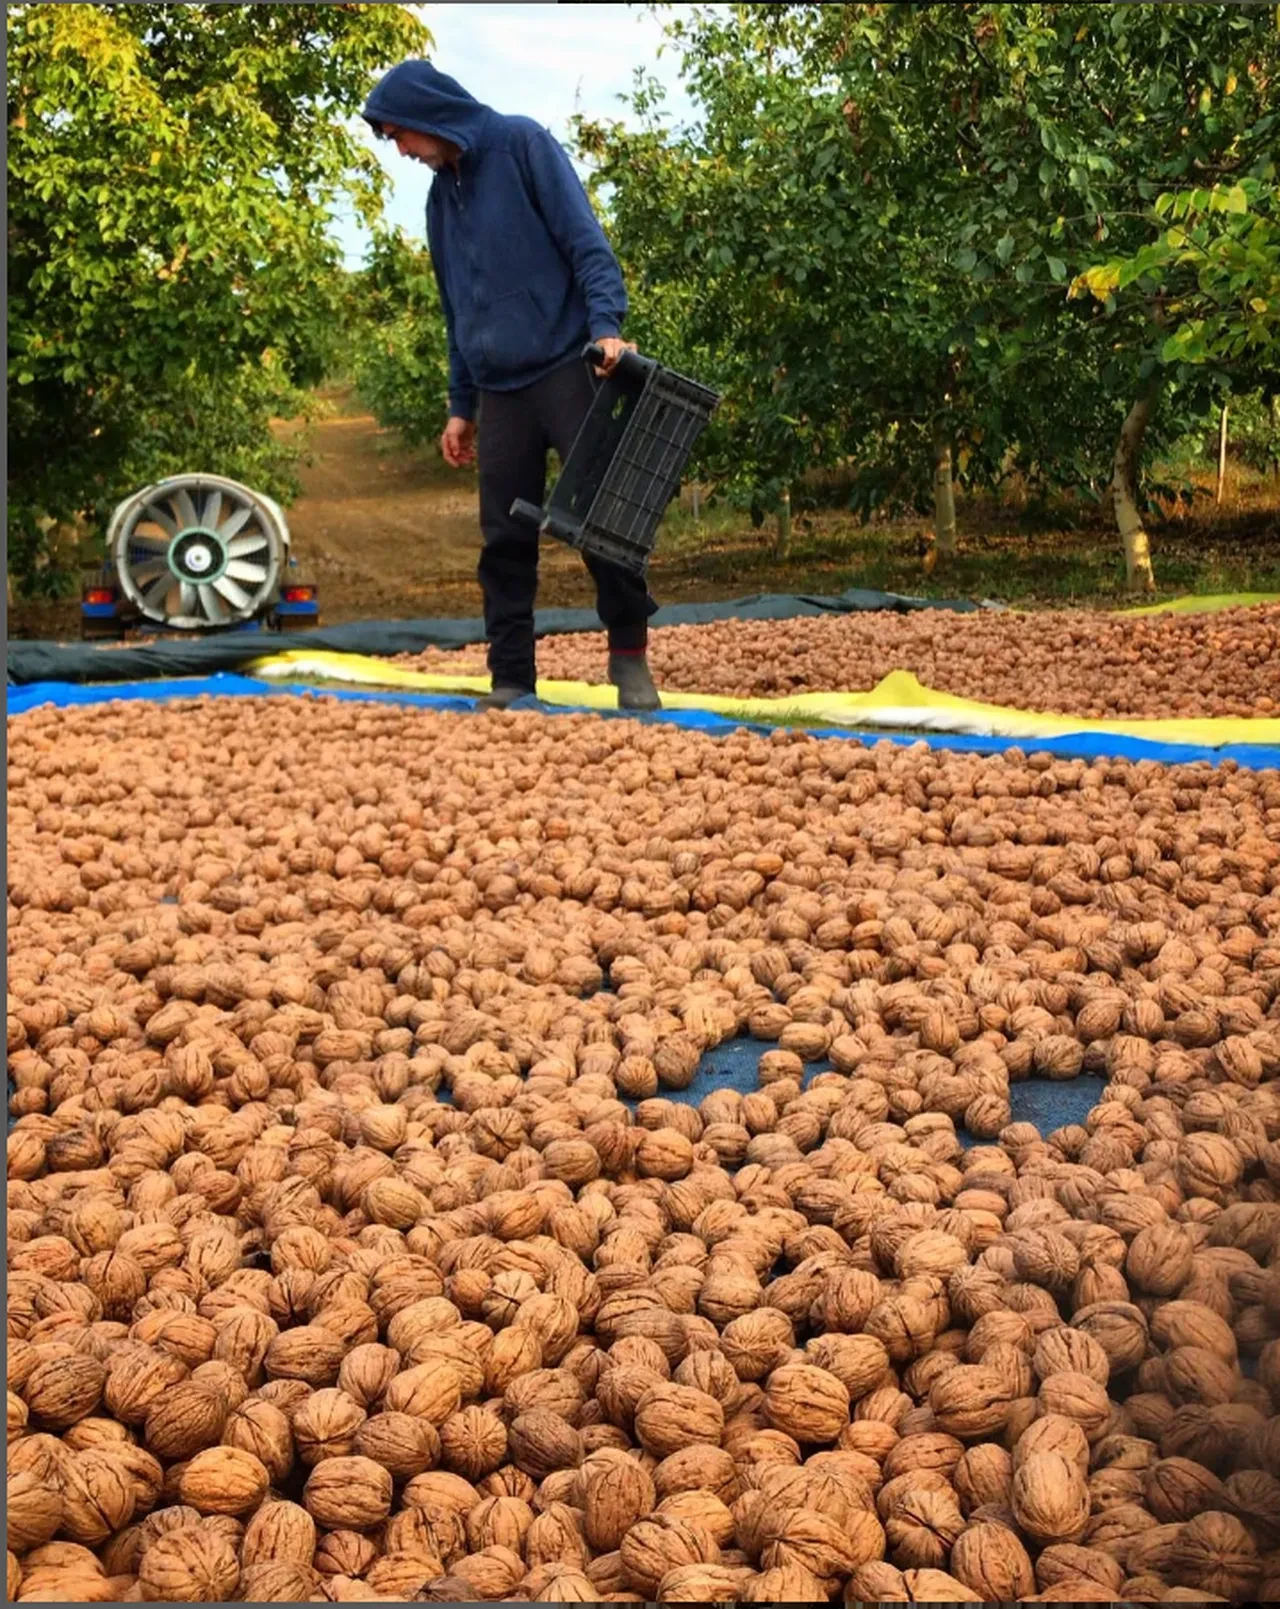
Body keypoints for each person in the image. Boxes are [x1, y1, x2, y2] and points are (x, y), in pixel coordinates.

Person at [362, 60, 662, 711]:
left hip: (565, 366)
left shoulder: (522, 145)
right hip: (500, 392)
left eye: (400, 136)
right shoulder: (441, 199)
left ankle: (630, 657)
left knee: (600, 522)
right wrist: (459, 405)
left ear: (428, 116)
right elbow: (457, 310)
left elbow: (587, 245)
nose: (403, 151)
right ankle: (512, 679)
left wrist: (607, 328)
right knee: (503, 541)